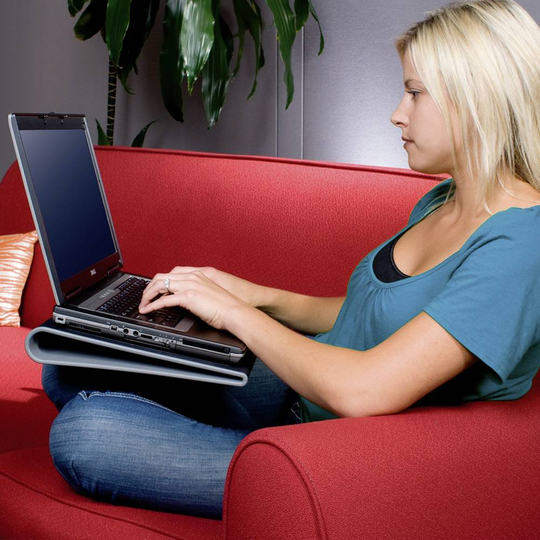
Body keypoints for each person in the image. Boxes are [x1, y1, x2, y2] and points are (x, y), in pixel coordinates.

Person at [43, 0, 540, 520]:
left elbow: (365, 389)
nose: (397, 113)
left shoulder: (520, 245)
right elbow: (371, 313)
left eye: (414, 93)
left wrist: (236, 314)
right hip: (302, 389)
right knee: (70, 366)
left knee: (82, 432)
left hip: (336, 454)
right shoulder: (444, 200)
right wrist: (251, 294)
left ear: (477, 98)